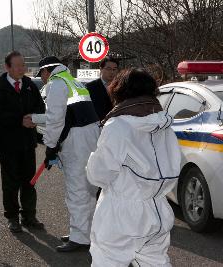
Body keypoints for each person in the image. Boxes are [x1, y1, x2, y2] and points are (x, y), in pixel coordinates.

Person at [86, 68, 181, 266]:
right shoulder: (164, 125)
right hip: (158, 210)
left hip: (121, 214)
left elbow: (98, 175)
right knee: (155, 262)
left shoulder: (118, 126)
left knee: (107, 260)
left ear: (119, 92)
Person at [37, 56, 100, 252]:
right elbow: (66, 114)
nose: (42, 79)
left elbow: (56, 120)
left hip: (76, 143)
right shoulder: (73, 81)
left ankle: (80, 238)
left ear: (47, 71)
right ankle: (84, 232)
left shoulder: (56, 84)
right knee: (88, 189)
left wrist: (50, 145)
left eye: (42, 75)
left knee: (77, 191)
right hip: (89, 138)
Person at [0, 51, 46, 233]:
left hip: (28, 142)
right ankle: (12, 217)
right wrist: (20, 119)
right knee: (10, 182)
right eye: (18, 65)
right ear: (8, 67)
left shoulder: (29, 85)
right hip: (8, 144)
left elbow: (40, 106)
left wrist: (34, 117)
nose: (23, 69)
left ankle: (29, 216)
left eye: (24, 65)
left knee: (29, 181)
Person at [85, 56, 119, 121]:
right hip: (98, 124)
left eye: (114, 69)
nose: (112, 72)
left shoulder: (121, 86)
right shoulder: (90, 87)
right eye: (108, 69)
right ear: (101, 69)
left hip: (117, 124)